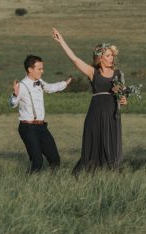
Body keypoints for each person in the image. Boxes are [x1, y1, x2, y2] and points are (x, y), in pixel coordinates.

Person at [52, 28, 127, 172]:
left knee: (111, 144)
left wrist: (124, 100)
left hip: (112, 115)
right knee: (93, 144)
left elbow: (122, 95)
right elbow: (74, 58)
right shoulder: (93, 72)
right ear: (100, 58)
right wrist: (61, 40)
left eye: (112, 55)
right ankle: (85, 174)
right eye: (108, 55)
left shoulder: (118, 73)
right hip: (96, 113)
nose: (111, 58)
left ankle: (112, 173)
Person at [9, 55, 71, 172]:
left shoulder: (40, 82)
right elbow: (12, 104)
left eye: (42, 68)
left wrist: (65, 83)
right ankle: (29, 185)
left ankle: (52, 184)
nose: (42, 71)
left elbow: (50, 87)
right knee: (37, 162)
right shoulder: (21, 86)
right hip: (28, 127)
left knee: (55, 160)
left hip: (42, 127)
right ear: (30, 70)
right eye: (39, 69)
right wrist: (15, 95)